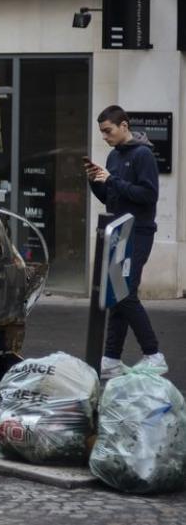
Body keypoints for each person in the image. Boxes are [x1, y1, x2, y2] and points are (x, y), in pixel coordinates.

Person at [85, 105, 166, 378]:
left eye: (108, 131)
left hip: (138, 231)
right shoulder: (112, 157)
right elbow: (111, 197)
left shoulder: (143, 155)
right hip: (117, 231)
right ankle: (111, 359)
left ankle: (153, 354)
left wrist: (114, 180)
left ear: (124, 125)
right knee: (116, 296)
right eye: (102, 132)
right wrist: (95, 182)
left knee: (125, 294)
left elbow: (148, 196)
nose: (105, 137)